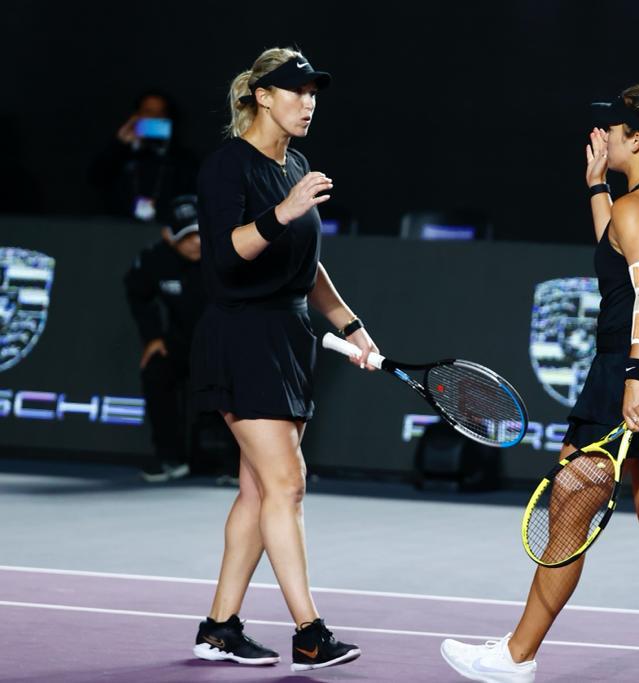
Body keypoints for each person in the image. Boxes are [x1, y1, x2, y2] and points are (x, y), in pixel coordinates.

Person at [441, 83, 639, 683]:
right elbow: (617, 255)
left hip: (630, 373)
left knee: (567, 515)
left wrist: (633, 379)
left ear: (635, 138)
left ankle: (515, 657)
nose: (600, 137)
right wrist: (597, 185)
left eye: (609, 132)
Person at [189, 47, 379, 672]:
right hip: (241, 337)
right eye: (296, 91)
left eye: (313, 93)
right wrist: (285, 209)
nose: (308, 102)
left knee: (257, 490)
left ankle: (219, 627)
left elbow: (308, 266)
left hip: (288, 338)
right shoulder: (227, 167)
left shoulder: (293, 165)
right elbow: (225, 255)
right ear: (261, 96)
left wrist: (352, 326)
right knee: (287, 485)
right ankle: (309, 631)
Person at [124, 194, 206, 482]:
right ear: (168, 236)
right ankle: (170, 458)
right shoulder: (154, 260)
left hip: (226, 343)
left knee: (242, 380)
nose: (196, 242)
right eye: (187, 236)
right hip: (182, 340)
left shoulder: (228, 254)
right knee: (156, 369)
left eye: (200, 233)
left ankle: (236, 465)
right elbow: (137, 294)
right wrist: (153, 337)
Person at [90, 90, 198, 221]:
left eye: (160, 114)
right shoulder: (121, 153)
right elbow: (97, 178)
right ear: (136, 116)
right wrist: (119, 144)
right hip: (119, 227)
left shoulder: (182, 159)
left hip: (163, 228)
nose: (154, 118)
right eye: (148, 112)